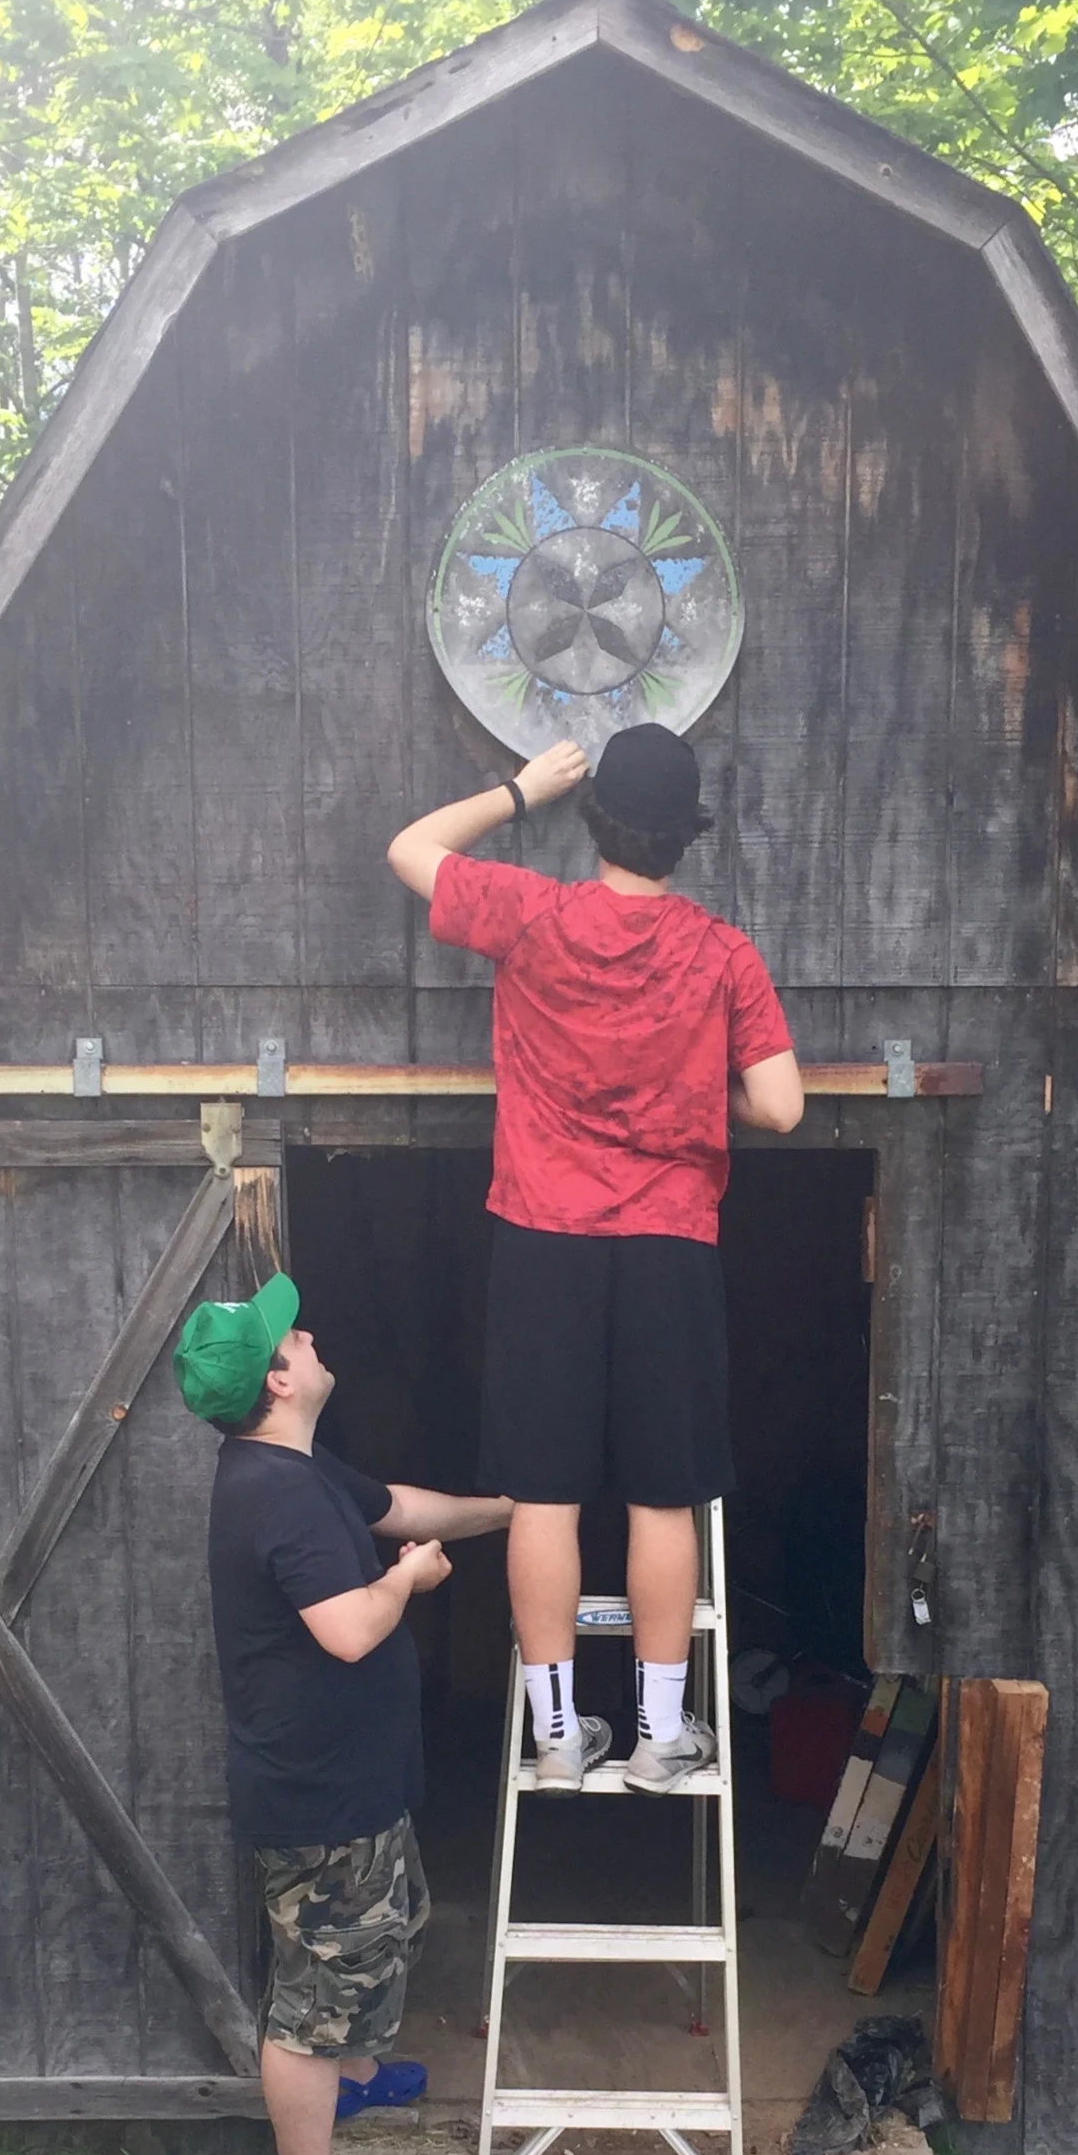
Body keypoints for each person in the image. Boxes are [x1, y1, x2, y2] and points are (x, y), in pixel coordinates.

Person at [386, 722, 803, 1793]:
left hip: (542, 1241)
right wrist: (677, 1088)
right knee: (664, 1497)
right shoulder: (721, 953)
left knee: (543, 1496)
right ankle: (663, 1736)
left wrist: (519, 793)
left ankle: (558, 1736)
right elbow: (783, 1106)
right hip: (668, 1243)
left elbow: (410, 849)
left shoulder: (533, 917)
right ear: (687, 838)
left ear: (598, 818)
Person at [175, 1269, 510, 2155]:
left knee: (386, 1929)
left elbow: (399, 1504)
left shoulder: (301, 1468)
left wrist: (506, 1508)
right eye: (293, 1336)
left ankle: (354, 2068)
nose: (310, 1335)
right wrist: (406, 1576)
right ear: (278, 1380)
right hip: (317, 1798)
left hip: (352, 1783)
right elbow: (351, 1630)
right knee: (313, 1998)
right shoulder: (276, 1496)